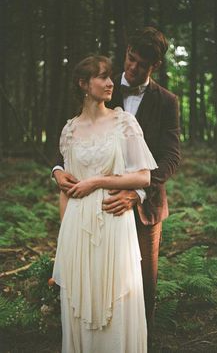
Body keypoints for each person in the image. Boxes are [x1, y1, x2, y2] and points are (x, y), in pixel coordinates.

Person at [53, 27, 181, 351]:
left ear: (155, 67)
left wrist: (137, 191)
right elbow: (74, 147)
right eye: (130, 59)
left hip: (145, 205)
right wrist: (56, 171)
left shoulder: (167, 101)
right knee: (90, 284)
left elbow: (170, 156)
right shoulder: (105, 86)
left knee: (139, 288)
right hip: (90, 214)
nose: (132, 68)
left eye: (142, 65)